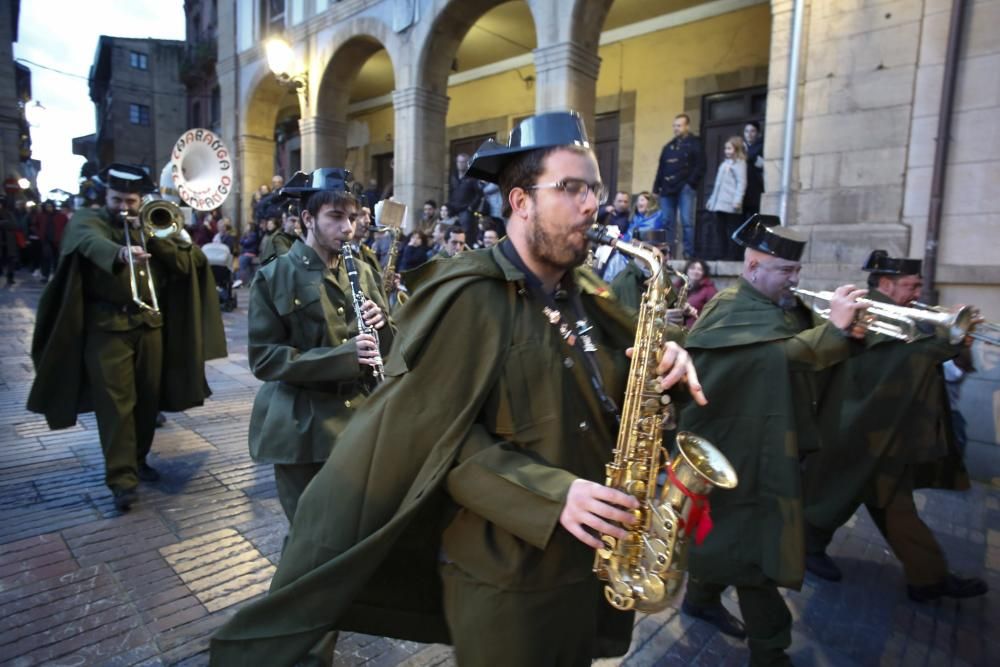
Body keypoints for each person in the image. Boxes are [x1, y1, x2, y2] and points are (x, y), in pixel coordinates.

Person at [210, 110, 705, 666]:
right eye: (570, 188)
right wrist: (552, 492)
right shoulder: (469, 294)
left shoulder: (590, 293)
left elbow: (622, 396)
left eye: (593, 188)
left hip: (586, 569)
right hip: (506, 582)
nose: (591, 204)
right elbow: (435, 440)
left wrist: (668, 363)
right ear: (521, 201)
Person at [679, 214, 867, 667]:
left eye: (796, 271)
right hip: (730, 447)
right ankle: (771, 650)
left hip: (758, 443)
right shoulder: (730, 307)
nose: (794, 280)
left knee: (728, 538)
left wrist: (837, 332)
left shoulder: (772, 308)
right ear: (752, 268)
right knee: (754, 554)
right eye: (785, 271)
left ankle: (700, 598)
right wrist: (835, 331)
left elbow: (788, 354)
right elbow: (779, 356)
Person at [26, 163, 227, 511]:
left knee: (148, 399)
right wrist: (118, 252)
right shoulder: (89, 220)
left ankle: (138, 459)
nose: (124, 206)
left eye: (131, 201)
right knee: (115, 404)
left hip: (149, 326)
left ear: (141, 200)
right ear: (105, 195)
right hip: (107, 329)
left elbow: (187, 262)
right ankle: (121, 479)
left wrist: (152, 236)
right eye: (117, 198)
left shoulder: (151, 222)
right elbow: (86, 242)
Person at [802, 250, 988, 603]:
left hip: (886, 431)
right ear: (885, 284)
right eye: (911, 285)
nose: (918, 292)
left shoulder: (905, 315)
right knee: (834, 495)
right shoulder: (864, 313)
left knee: (894, 504)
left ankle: (928, 578)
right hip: (856, 429)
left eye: (918, 284)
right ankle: (806, 549)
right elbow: (892, 362)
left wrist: (953, 338)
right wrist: (941, 342)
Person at [246, 168, 395, 524]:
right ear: (307, 219)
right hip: (303, 429)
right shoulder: (275, 276)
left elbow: (388, 348)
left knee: (352, 532)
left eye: (352, 217)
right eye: (335, 217)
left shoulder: (362, 270)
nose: (347, 228)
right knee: (309, 539)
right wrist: (341, 357)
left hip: (359, 421)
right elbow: (265, 359)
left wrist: (384, 327)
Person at [652, 113, 705, 259]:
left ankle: (688, 254)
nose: (676, 128)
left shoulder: (695, 143)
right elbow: (661, 169)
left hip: (685, 188)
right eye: (674, 126)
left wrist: (690, 184)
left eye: (679, 125)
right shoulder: (668, 147)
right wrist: (656, 189)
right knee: (667, 221)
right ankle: (667, 254)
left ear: (687, 126)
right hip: (667, 189)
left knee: (687, 221)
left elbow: (701, 166)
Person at [704, 136, 748, 261]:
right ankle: (721, 252)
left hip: (731, 203)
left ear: (736, 149)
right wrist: (712, 200)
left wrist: (737, 200)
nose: (726, 151)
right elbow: (718, 184)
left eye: (729, 148)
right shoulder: (724, 164)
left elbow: (741, 183)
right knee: (720, 230)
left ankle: (732, 254)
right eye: (725, 148)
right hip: (719, 203)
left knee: (732, 230)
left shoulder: (740, 164)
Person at [446, 152, 484, 247]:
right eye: (459, 162)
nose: (460, 164)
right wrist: (449, 206)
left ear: (468, 163)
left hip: (466, 211)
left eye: (463, 162)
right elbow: (450, 192)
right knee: (451, 233)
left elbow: (479, 194)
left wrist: (471, 207)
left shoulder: (472, 177)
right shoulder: (453, 177)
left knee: (465, 235)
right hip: (453, 210)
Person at [678, 258, 717, 328]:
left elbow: (714, 314)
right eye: (692, 268)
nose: (696, 271)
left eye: (700, 269)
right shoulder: (678, 286)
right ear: (686, 270)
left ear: (704, 273)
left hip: (695, 330)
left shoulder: (710, 290)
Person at [743, 122, 764, 217]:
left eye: (752, 131)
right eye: (747, 131)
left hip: (755, 189)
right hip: (742, 191)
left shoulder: (761, 146)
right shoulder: (741, 147)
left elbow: (751, 157)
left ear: (758, 133)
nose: (749, 134)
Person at [0, 196, 18, 286]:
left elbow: (14, 225)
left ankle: (10, 277)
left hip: (8, 241)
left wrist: (4, 223)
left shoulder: (9, 213)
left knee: (10, 260)